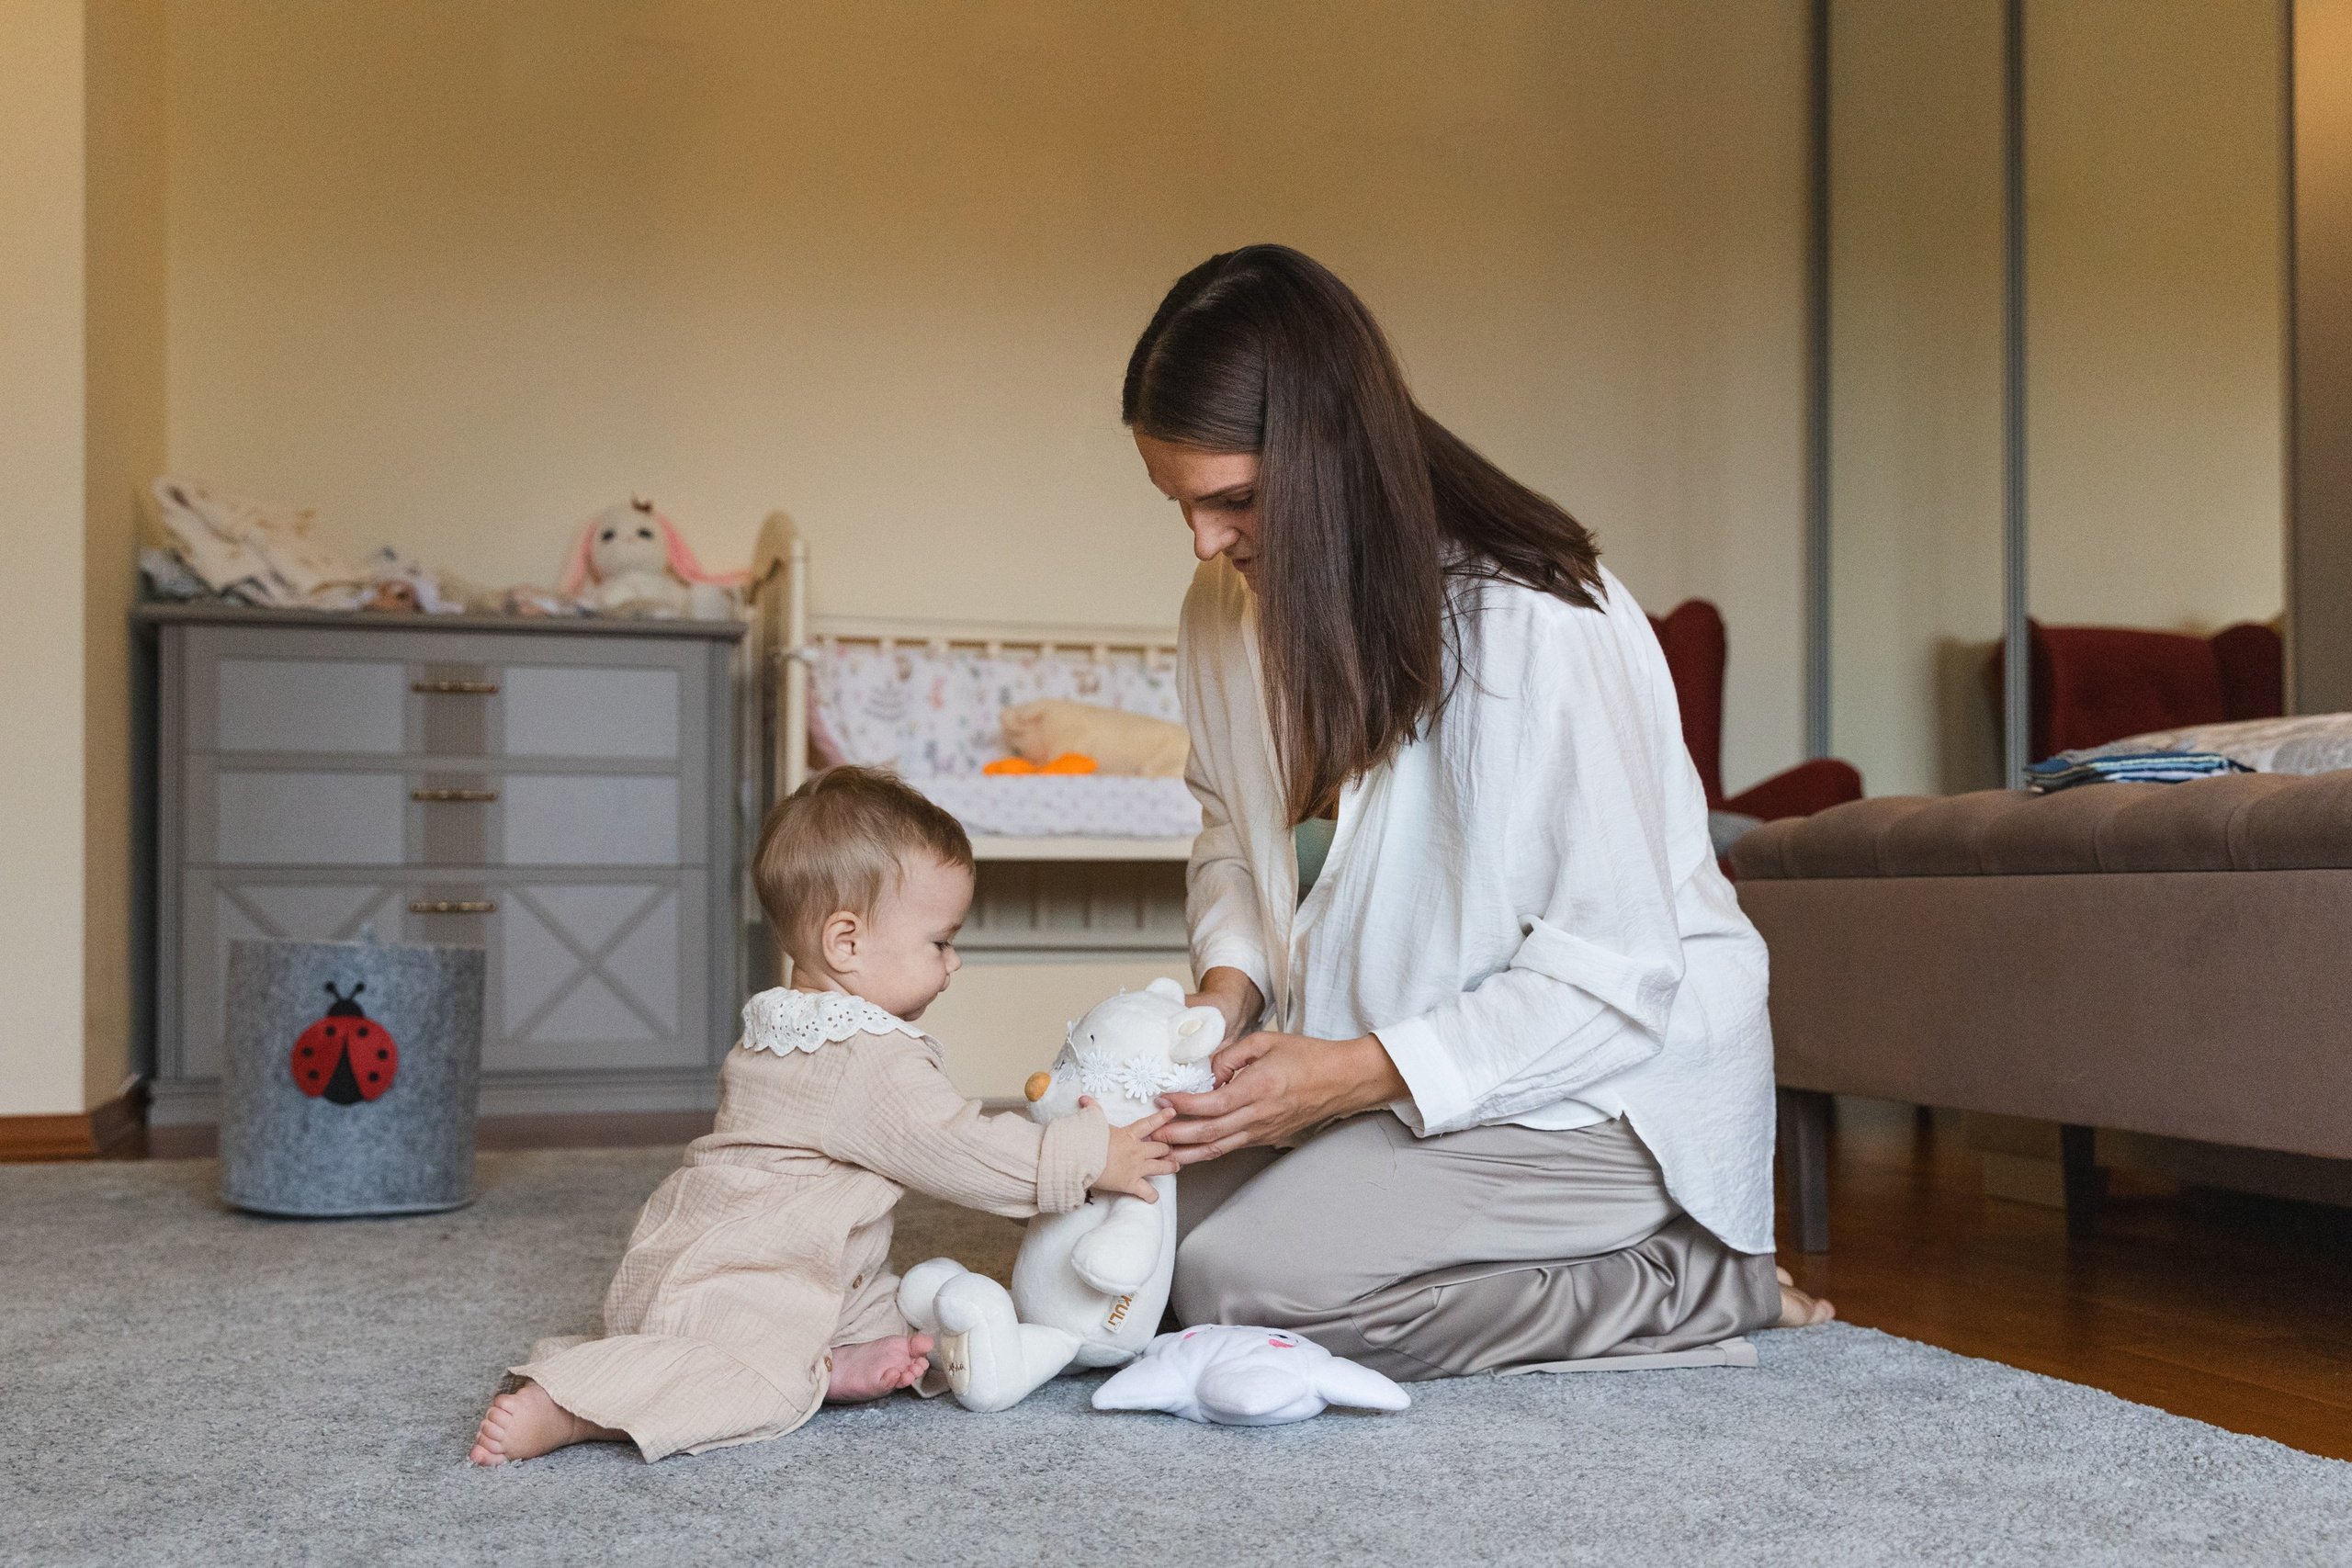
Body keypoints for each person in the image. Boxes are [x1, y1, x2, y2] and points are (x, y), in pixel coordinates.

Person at [1125, 245, 1832, 1382]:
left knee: (1242, 1287)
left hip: (1599, 1090)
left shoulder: (1535, 627)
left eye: (1235, 503)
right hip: (1396, 1054)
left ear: (1331, 462)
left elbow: (1613, 980)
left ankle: (1693, 1278)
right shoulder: (1224, 609)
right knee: (1110, 1240)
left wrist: (1349, 1072)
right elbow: (1226, 829)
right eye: (1180, 505)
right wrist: (1227, 992)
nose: (1204, 544)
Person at [469, 766, 1175, 1464]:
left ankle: (833, 1361)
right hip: (741, 1278)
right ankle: (573, 1405)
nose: (953, 963)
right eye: (940, 941)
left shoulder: (783, 1024)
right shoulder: (865, 1054)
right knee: (758, 1384)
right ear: (846, 942)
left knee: (914, 1318)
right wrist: (1088, 1157)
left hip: (787, 1261)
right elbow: (958, 1147)